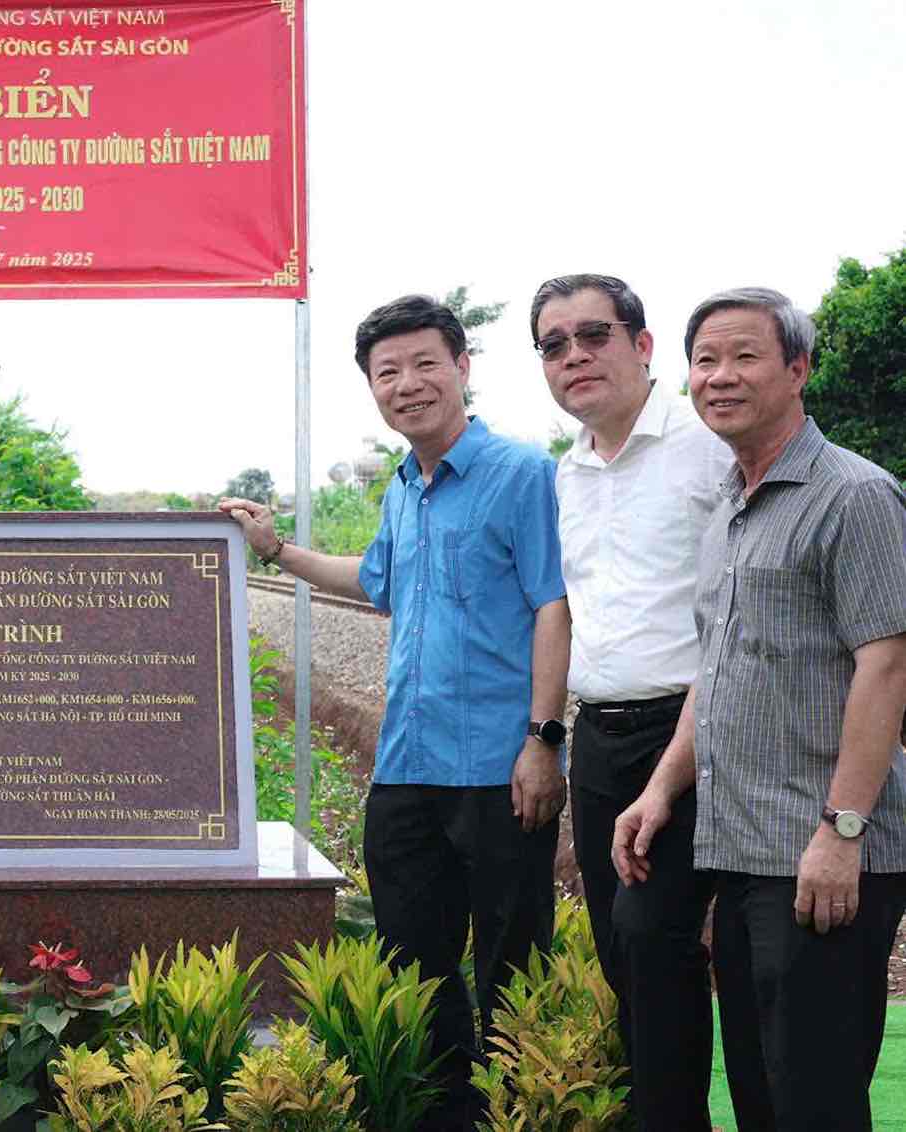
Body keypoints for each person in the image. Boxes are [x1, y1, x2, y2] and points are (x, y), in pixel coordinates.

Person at [222, 294, 570, 1130]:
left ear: (461, 368)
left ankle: (516, 1111)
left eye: (424, 364)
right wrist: (276, 550)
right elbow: (374, 580)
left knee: (509, 959)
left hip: (497, 765)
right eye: (388, 372)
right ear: (373, 389)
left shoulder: (522, 475)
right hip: (406, 765)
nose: (407, 384)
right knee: (412, 958)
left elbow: (553, 607)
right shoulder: (402, 488)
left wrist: (542, 740)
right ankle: (446, 1111)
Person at [615, 287, 906, 1128]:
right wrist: (661, 789)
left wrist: (841, 831)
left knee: (811, 1095)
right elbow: (716, 672)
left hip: (819, 849)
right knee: (758, 1088)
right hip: (739, 847)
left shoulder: (854, 496)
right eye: (703, 360)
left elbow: (886, 665)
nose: (719, 377)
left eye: (744, 356)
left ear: (797, 369)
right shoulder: (729, 511)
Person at [532, 273, 731, 1127]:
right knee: (622, 948)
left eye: (593, 335)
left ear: (642, 345)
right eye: (552, 345)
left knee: (653, 939)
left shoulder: (707, 444)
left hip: (693, 727)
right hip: (602, 736)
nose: (574, 356)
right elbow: (563, 612)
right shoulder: (564, 474)